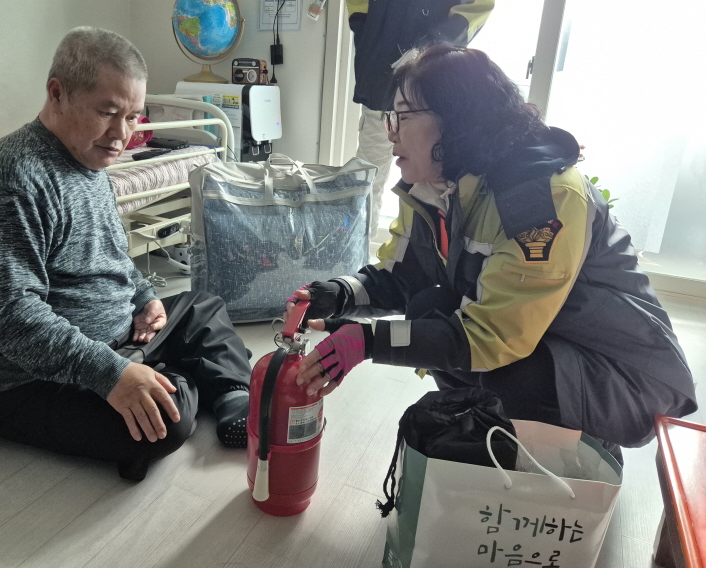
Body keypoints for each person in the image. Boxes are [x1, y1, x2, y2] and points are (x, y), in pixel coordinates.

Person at [287, 45, 697, 457]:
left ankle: (577, 451)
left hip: (625, 374)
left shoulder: (541, 198)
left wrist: (368, 341)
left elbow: (495, 337)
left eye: (403, 116)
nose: (391, 132)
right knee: (430, 308)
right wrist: (337, 294)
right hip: (550, 342)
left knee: (513, 374)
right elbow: (402, 276)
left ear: (455, 119)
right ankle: (497, 433)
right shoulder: (437, 186)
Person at [0, 27, 252, 481]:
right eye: (108, 113)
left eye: (132, 117)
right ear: (58, 94)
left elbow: (110, 255)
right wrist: (110, 374)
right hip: (25, 382)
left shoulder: (89, 159)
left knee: (202, 306)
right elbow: (11, 317)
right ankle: (174, 378)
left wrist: (144, 298)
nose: (122, 135)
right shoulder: (10, 182)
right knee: (167, 424)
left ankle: (230, 398)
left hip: (115, 338)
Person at [347, 0, 498, 237]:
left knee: (427, 180)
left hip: (430, 88)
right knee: (365, 180)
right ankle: (358, 258)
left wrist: (425, 55)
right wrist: (367, 40)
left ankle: (421, 259)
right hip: (378, 78)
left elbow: (476, 7)